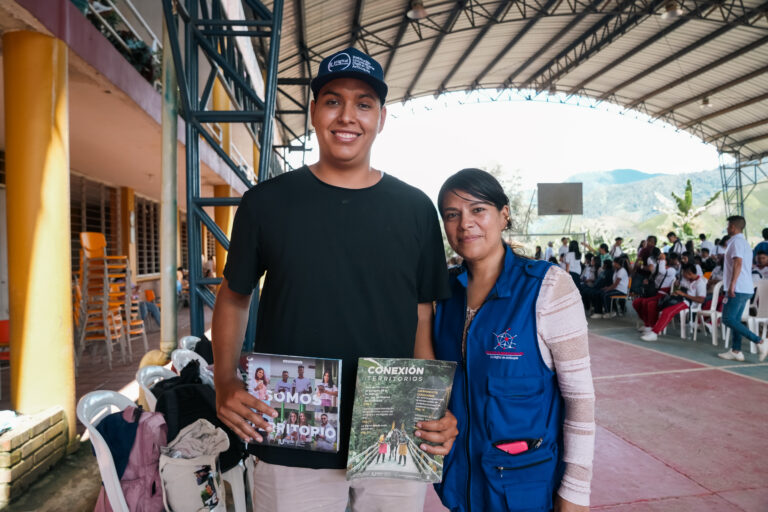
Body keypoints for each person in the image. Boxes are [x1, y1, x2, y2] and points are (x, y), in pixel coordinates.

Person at [211, 47, 456, 511]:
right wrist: (225, 378)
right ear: (312, 112)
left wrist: (430, 407)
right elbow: (235, 295)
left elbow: (422, 316)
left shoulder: (415, 210)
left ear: (381, 118)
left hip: (394, 425)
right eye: (332, 100)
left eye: (364, 103)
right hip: (290, 426)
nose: (348, 116)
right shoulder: (266, 203)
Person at [433, 169, 594, 512]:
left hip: (526, 491)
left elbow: (580, 400)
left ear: (504, 214)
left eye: (478, 210)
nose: (465, 224)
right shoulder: (441, 298)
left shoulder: (550, 288)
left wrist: (575, 495)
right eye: (452, 214)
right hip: (459, 490)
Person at [717, 216, 768, 362]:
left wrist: (732, 284)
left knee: (728, 318)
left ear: (733, 226)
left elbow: (738, 263)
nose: (727, 228)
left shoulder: (737, 242)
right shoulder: (741, 242)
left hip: (738, 287)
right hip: (743, 287)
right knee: (736, 320)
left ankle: (760, 341)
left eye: (728, 226)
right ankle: (736, 350)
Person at [640, 264, 707, 342]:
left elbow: (701, 300)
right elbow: (680, 288)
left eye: (684, 273)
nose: (683, 275)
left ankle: (654, 333)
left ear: (689, 273)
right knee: (656, 304)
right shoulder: (686, 279)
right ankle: (650, 327)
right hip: (679, 298)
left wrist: (684, 294)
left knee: (667, 312)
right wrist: (676, 291)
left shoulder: (700, 283)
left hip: (688, 302)